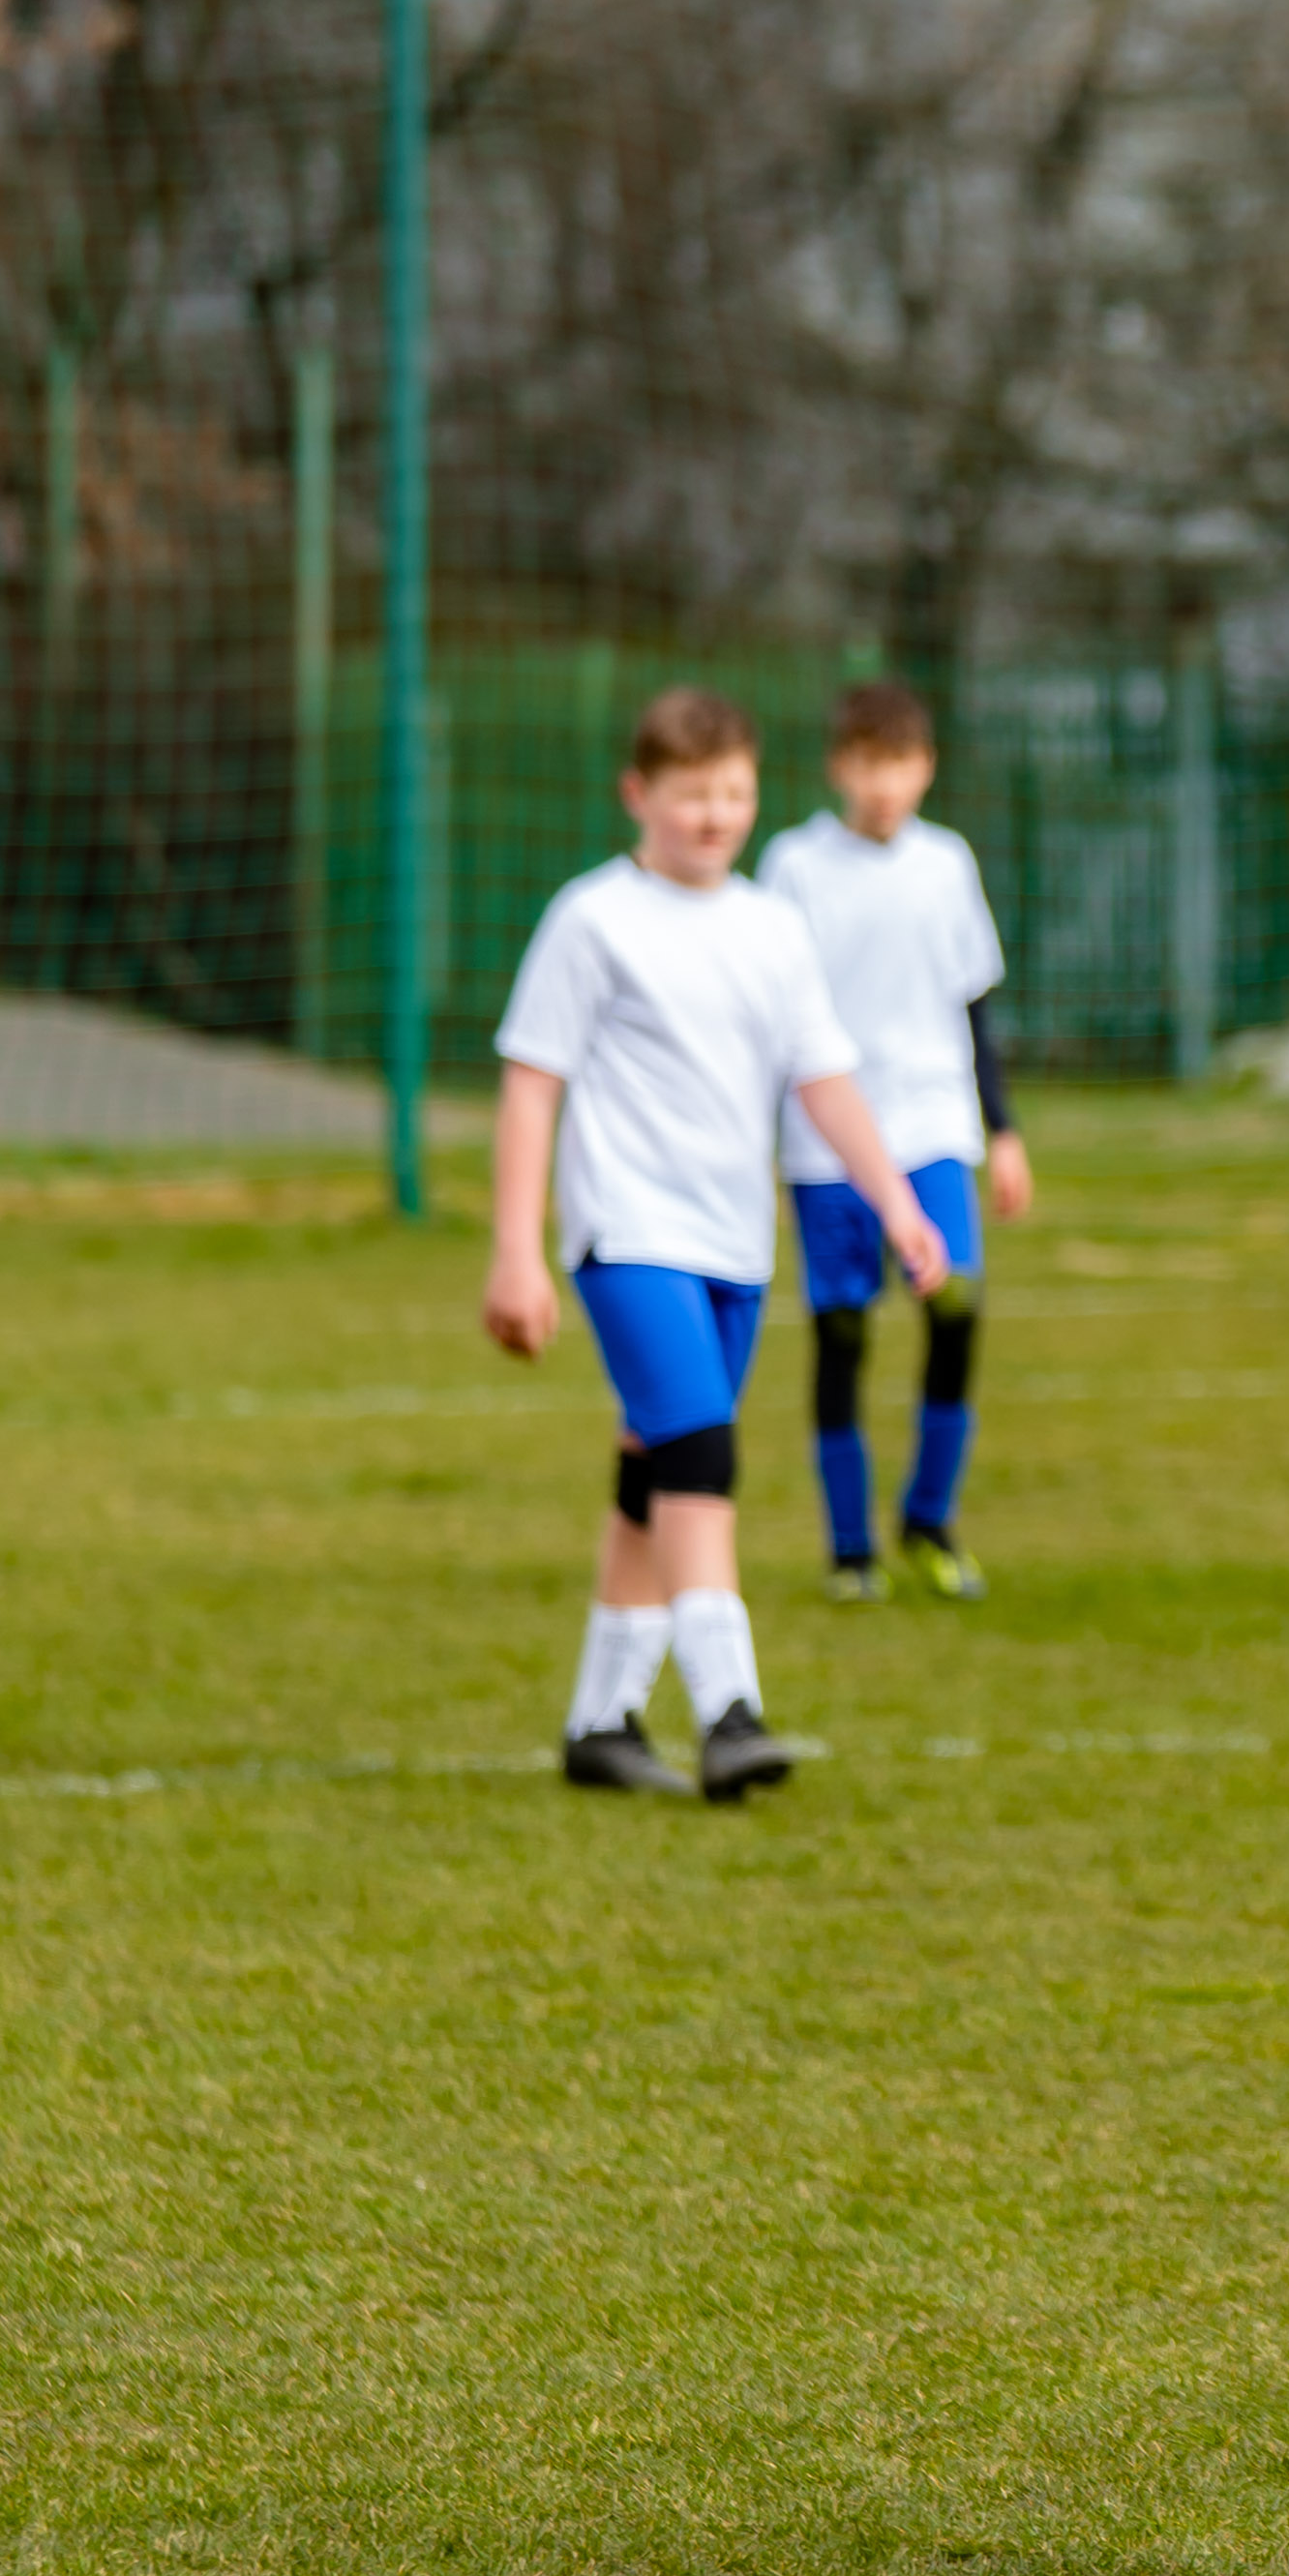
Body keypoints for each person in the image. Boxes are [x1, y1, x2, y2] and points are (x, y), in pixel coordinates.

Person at [485, 687, 953, 1802]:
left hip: (736, 1243)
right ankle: (729, 1709)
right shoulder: (592, 919)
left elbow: (824, 1078)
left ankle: (602, 1721)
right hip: (629, 1233)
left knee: (657, 1466)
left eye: (734, 794)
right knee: (702, 1451)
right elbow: (530, 1086)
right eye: (692, 796)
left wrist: (896, 1201)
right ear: (639, 795)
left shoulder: (771, 926)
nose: (714, 816)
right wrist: (517, 1249)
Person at [763, 679, 1031, 1605]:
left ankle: (929, 1518)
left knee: (955, 1309)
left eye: (902, 764)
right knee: (841, 1332)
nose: (885, 784)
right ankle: (849, 1552)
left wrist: (1003, 1132)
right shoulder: (792, 865)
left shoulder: (946, 863)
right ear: (840, 766)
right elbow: (766, 1012)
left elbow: (974, 1002)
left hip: (932, 1127)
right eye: (868, 764)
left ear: (926, 768)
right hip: (825, 1137)